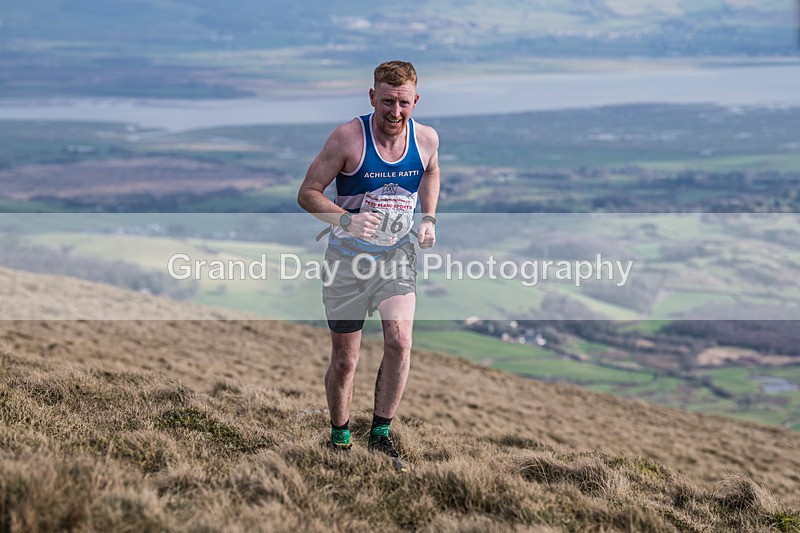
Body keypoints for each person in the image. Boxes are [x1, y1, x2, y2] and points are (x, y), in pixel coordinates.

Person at [297, 60, 440, 470]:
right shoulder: (347, 138)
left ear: (416, 100)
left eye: (404, 102)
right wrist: (346, 218)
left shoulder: (426, 139)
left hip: (397, 255)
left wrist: (428, 217)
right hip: (347, 262)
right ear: (372, 96)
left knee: (400, 341)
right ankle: (339, 438)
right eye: (388, 101)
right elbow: (307, 193)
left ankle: (380, 432)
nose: (395, 112)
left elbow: (431, 171)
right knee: (346, 361)